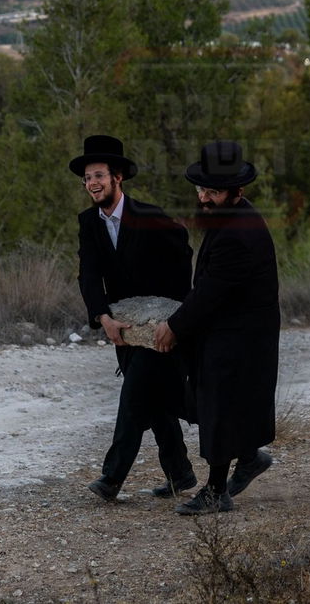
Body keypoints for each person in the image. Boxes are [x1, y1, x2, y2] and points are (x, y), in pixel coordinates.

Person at [153, 140, 279, 515]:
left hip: (241, 335)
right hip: (231, 328)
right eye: (201, 189)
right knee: (216, 403)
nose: (204, 197)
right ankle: (251, 459)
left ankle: (214, 492)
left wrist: (173, 327)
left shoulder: (238, 234)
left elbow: (209, 292)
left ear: (237, 192)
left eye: (213, 191)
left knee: (221, 406)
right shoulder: (228, 217)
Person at [72, 134, 197, 503]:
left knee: (133, 396)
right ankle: (181, 472)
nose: (92, 183)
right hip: (123, 328)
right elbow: (89, 275)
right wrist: (102, 317)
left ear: (117, 178)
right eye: (87, 178)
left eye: (98, 175)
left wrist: (170, 312)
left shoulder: (149, 216)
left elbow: (182, 248)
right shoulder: (88, 222)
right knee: (159, 400)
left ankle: (111, 478)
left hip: (156, 329)